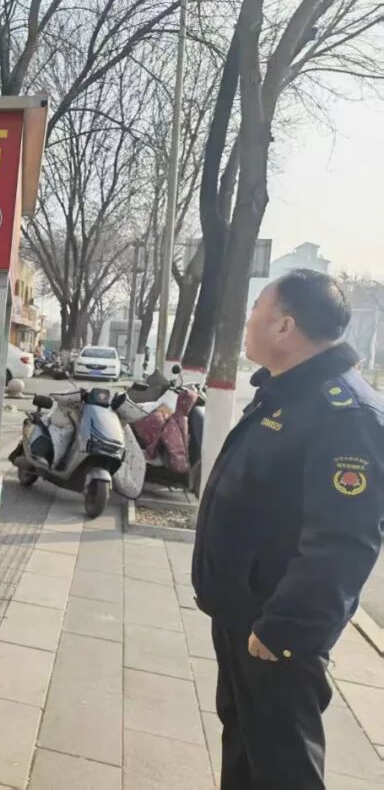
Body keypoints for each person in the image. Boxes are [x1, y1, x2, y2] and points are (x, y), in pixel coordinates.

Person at [192, 269, 383, 790]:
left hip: (275, 633)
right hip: (244, 616)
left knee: (283, 769)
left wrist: (286, 629)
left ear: (285, 326)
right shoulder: (288, 393)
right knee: (245, 750)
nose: (248, 321)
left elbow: (342, 544)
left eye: (257, 309)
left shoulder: (344, 415)